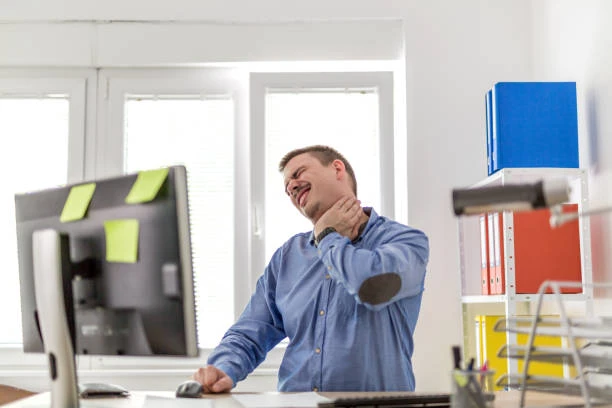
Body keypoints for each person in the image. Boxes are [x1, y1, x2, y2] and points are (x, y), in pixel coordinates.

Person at [193, 145, 429, 392]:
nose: (292, 187)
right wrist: (222, 367)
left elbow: (372, 287)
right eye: (286, 188)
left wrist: (327, 236)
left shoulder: (405, 241)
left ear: (337, 168)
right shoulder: (288, 256)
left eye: (298, 173)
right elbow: (250, 332)